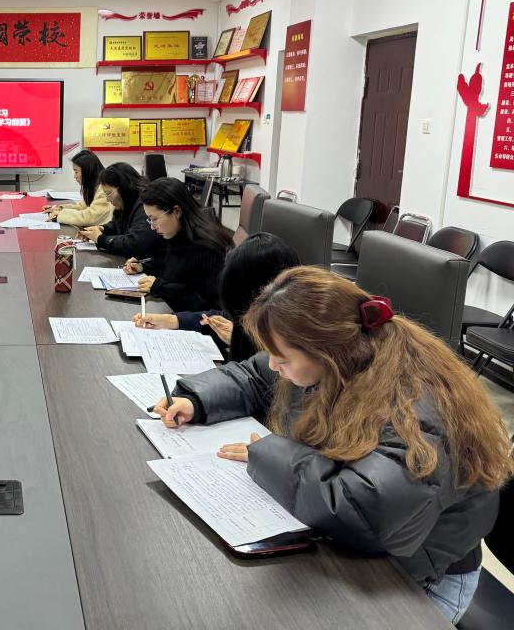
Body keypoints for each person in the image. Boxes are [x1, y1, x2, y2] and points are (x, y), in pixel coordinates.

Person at [153, 267, 514, 624]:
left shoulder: (418, 410)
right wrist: (197, 400)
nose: (274, 364)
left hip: (422, 583)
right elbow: (254, 373)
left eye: (283, 358)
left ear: (325, 351)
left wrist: (267, 453)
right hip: (372, 555)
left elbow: (364, 511)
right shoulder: (342, 357)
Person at [133, 232, 300, 362]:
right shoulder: (260, 298)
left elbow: (262, 378)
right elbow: (221, 317)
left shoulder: (294, 339)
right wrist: (171, 321)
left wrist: (240, 343)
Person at [125, 177, 233, 312]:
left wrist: (160, 287)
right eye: (150, 220)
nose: (152, 227)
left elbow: (205, 304)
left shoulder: (204, 247)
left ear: (177, 212)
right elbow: (174, 270)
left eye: (154, 219)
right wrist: (144, 267)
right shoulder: (179, 234)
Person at [78, 162, 163, 265]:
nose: (107, 199)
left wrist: (100, 239)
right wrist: (102, 229)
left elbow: (134, 243)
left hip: (152, 267)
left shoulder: (145, 204)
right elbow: (116, 224)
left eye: (108, 193)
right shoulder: (127, 202)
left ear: (123, 187)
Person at [43, 150, 112, 227]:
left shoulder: (105, 189)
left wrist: (60, 216)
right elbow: (82, 207)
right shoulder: (94, 186)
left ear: (87, 171)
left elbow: (90, 217)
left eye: (76, 172)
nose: (74, 176)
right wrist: (59, 209)